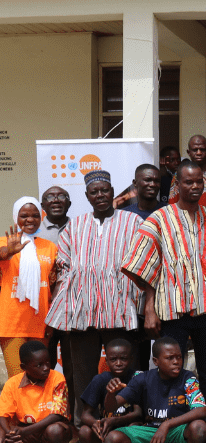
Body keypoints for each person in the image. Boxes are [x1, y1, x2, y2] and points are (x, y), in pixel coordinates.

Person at [121, 161, 206, 409]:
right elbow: (146, 266)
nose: (194, 186)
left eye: (198, 182)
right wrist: (149, 308)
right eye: (188, 182)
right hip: (172, 311)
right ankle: (171, 419)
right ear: (177, 184)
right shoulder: (159, 219)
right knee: (171, 371)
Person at [45, 170, 143, 426]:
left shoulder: (131, 222)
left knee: (124, 372)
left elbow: (140, 262)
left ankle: (125, 425)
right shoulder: (74, 227)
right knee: (82, 374)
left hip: (119, 309)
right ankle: (83, 427)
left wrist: (137, 304)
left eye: (105, 190)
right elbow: (63, 267)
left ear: (112, 193)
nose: (100, 195)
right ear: (87, 196)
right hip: (82, 312)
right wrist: (66, 310)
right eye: (94, 192)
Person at [103, 337, 206, 443]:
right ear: (156, 361)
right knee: (111, 440)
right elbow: (111, 407)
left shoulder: (188, 377)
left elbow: (201, 410)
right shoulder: (142, 378)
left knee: (199, 428)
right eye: (169, 358)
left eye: (179, 357)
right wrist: (110, 393)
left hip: (177, 433)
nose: (176, 361)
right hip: (151, 434)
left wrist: (166, 425)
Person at [0, 340, 73, 443]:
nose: (46, 368)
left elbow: (57, 415)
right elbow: (3, 415)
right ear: (24, 367)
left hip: (50, 432)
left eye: (48, 362)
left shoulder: (57, 378)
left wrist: (24, 432)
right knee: (1, 435)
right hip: (26, 434)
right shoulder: (12, 383)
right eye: (39, 365)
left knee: (55, 430)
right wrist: (10, 433)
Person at [0, 197, 57, 378]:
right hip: (12, 324)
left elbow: (53, 285)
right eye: (24, 215)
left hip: (41, 323)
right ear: (16, 217)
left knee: (39, 377)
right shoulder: (5, 241)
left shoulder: (49, 247)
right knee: (17, 379)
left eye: (35, 215)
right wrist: (7, 252)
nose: (30, 220)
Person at [77, 338, 142, 443]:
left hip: (130, 427)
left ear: (131, 359)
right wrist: (95, 423)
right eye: (113, 359)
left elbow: (138, 413)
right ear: (106, 361)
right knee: (84, 431)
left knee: (136, 425)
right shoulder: (99, 380)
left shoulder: (137, 378)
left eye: (123, 359)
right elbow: (85, 414)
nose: (118, 363)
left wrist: (115, 420)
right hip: (108, 430)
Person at [169, 135, 206, 213]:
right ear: (188, 152)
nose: (199, 153)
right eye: (195, 150)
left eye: (202, 150)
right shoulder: (180, 175)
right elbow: (172, 206)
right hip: (186, 222)